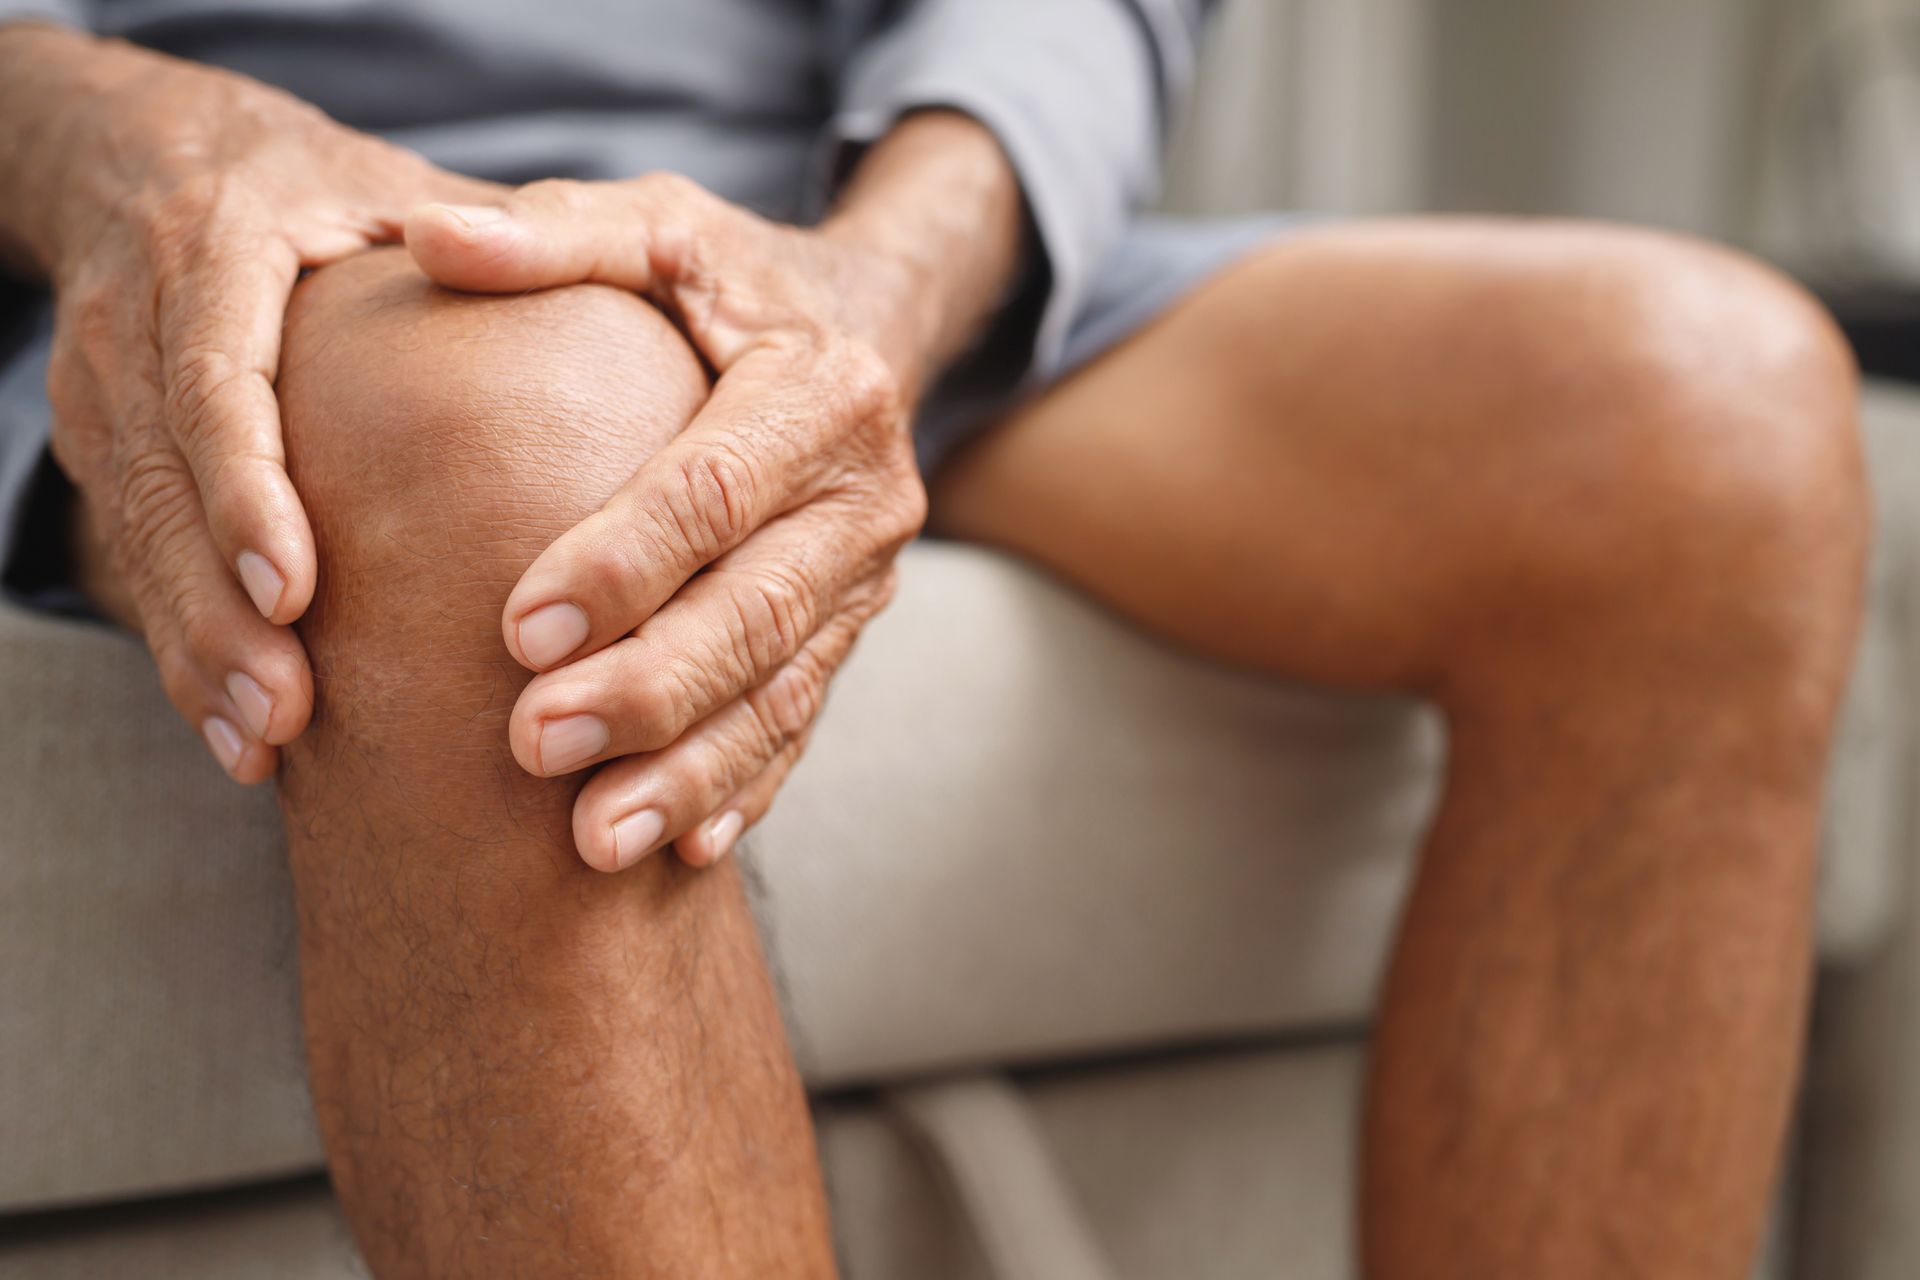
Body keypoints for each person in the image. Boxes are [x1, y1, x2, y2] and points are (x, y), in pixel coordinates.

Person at [0, 3, 1866, 1277]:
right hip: (200, 239)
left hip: (808, 208)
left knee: (1706, 413)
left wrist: (883, 277)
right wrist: (105, 139)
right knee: (523, 467)